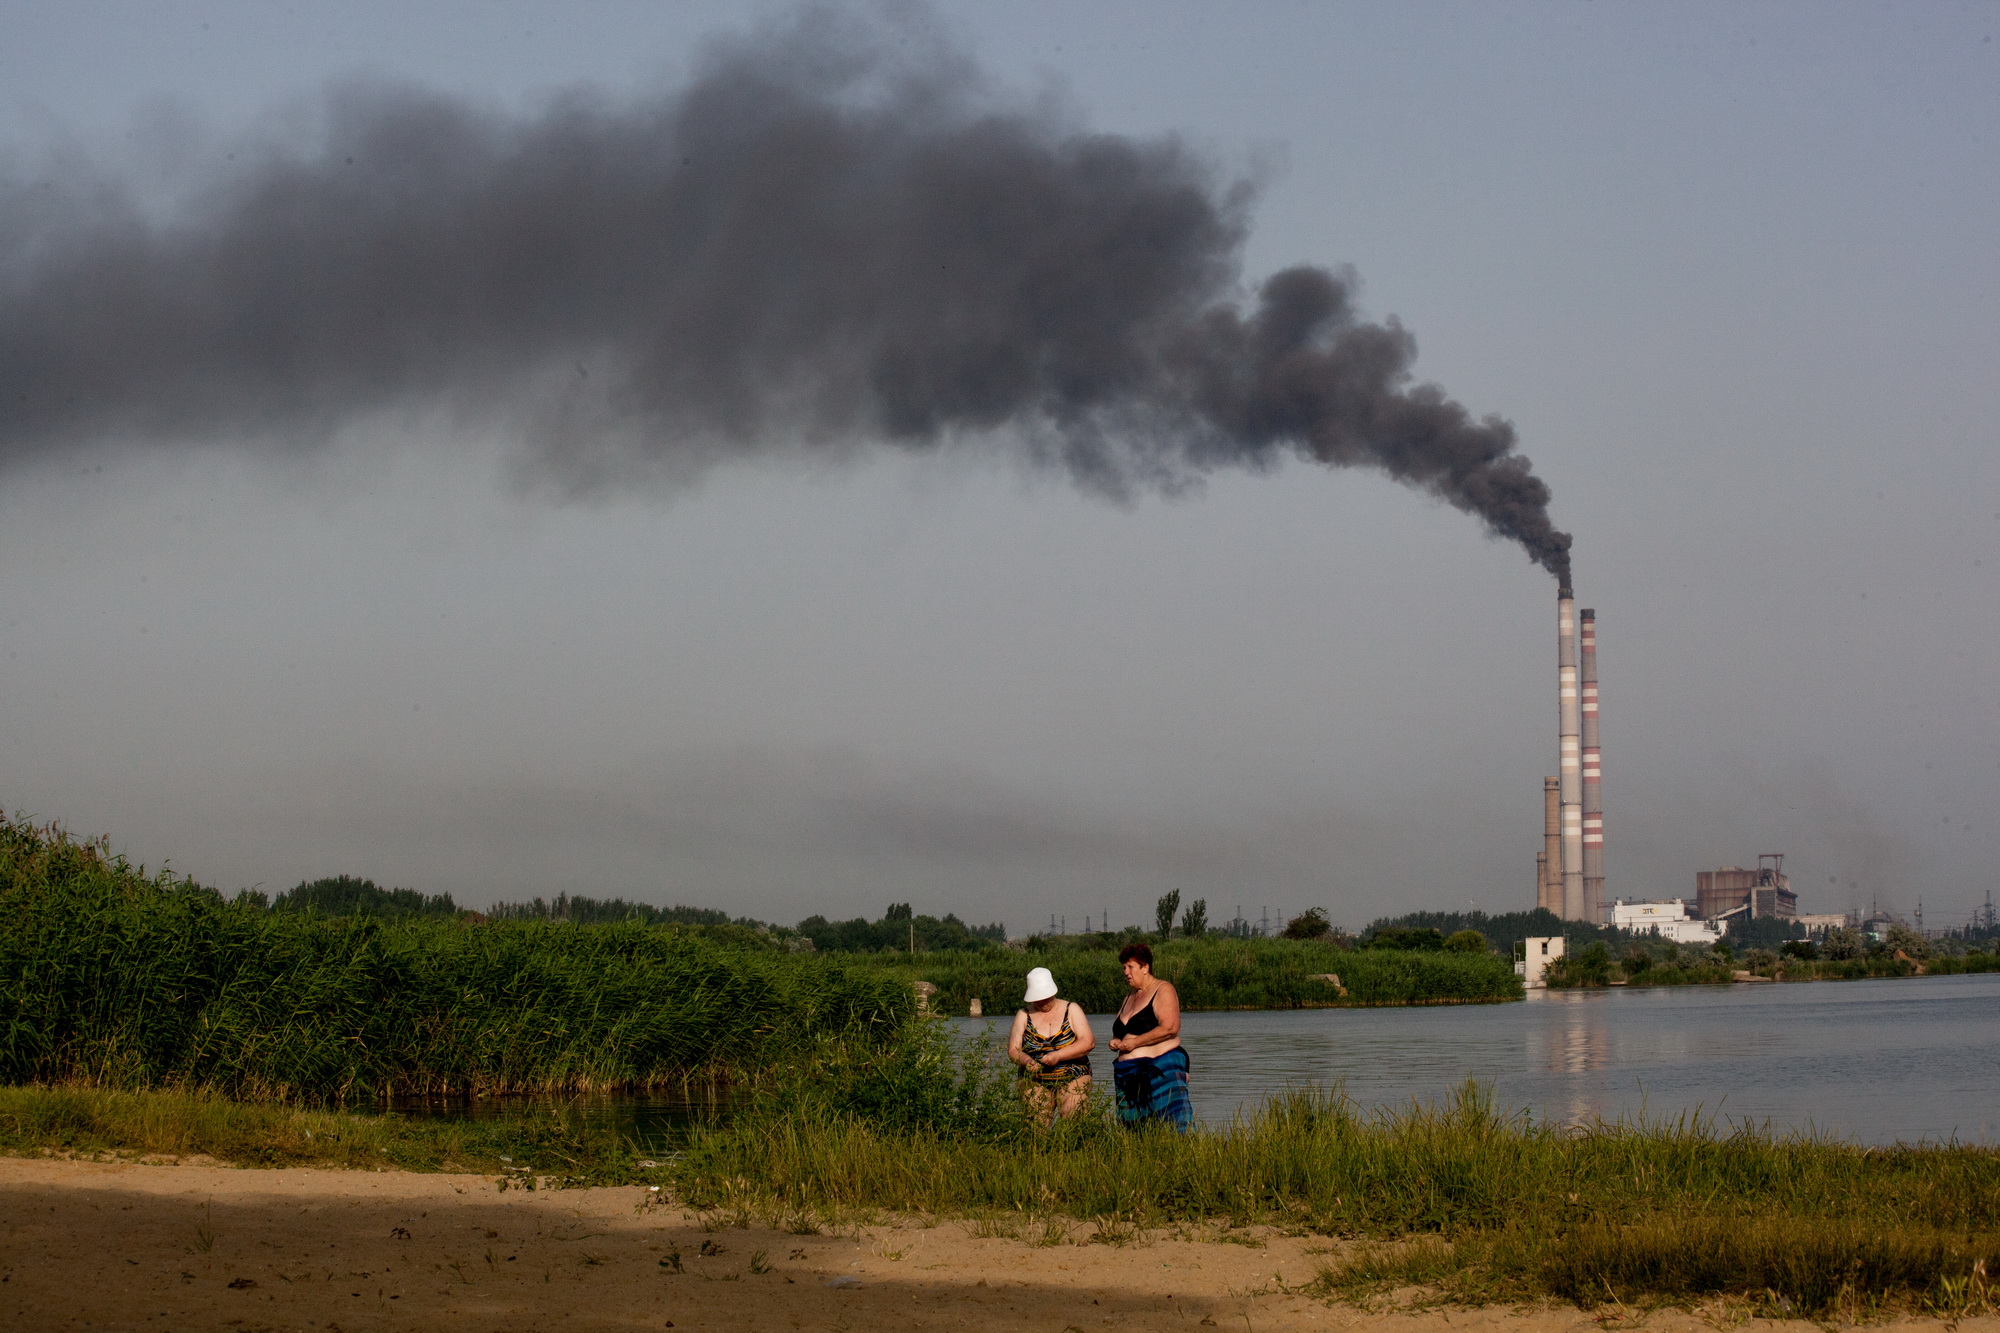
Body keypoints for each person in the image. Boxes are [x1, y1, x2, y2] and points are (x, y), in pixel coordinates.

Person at [1107, 942, 1191, 1131]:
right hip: (1127, 1073)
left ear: (1145, 967)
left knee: (1172, 1122)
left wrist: (1134, 1042)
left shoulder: (1163, 989)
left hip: (1160, 1069)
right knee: (1133, 1128)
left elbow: (1170, 1028)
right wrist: (1117, 1042)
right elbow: (1122, 1031)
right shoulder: (1129, 997)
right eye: (1124, 968)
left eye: (1130, 967)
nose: (1126, 972)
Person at [1007, 966, 1095, 1124]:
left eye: (1045, 997)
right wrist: (1027, 1061)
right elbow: (1013, 1050)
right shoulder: (1023, 1015)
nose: (1041, 1002)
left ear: (1053, 992)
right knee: (1035, 1126)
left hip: (1073, 1074)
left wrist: (1058, 1056)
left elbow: (1088, 1042)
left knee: (1073, 1116)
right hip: (1035, 1077)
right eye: (1037, 998)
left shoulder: (1072, 1009)